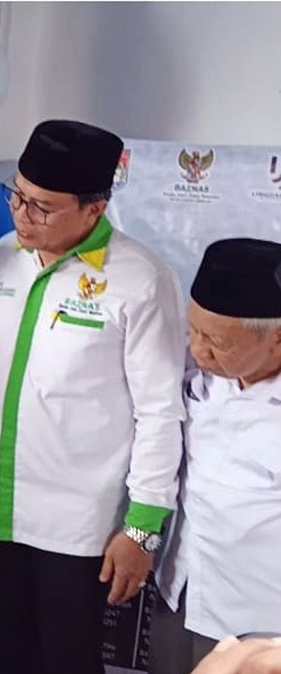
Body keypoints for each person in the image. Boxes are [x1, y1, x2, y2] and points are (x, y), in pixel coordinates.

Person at [0, 120, 188, 674]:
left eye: (42, 207)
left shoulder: (138, 278)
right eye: (16, 195)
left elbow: (161, 411)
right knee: (4, 657)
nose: (21, 214)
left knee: (68, 661)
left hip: (78, 527)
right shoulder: (1, 258)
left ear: (94, 209)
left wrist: (141, 528)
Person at [152, 239, 281, 674]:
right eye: (194, 331)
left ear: (277, 338)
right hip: (182, 591)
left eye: (217, 341)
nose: (198, 349)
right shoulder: (200, 379)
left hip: (259, 622)